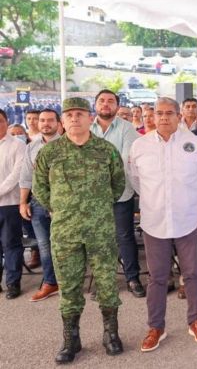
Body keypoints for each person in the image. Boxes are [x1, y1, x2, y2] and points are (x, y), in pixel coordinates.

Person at [32, 98, 126, 363]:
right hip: (65, 231)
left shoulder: (106, 150)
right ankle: (71, 339)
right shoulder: (49, 153)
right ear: (63, 120)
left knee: (107, 283)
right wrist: (62, 209)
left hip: (101, 231)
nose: (75, 118)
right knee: (69, 286)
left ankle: (110, 334)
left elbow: (118, 184)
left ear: (89, 118)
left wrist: (98, 207)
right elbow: (40, 189)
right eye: (69, 114)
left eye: (80, 114)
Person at [128, 97, 197, 352]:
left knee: (192, 274)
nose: (163, 117)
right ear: (152, 117)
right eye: (159, 113)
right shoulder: (139, 146)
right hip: (155, 221)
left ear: (179, 116)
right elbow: (135, 180)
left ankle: (196, 321)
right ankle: (156, 327)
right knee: (157, 277)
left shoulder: (195, 143)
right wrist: (157, 201)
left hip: (187, 218)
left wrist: (183, 199)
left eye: (169, 113)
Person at [90, 90, 145, 298]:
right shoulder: (87, 127)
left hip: (120, 193)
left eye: (110, 101)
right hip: (93, 197)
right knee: (100, 240)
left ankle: (132, 278)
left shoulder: (127, 128)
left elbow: (125, 159)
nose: (106, 104)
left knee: (124, 237)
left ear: (116, 105)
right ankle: (104, 281)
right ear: (95, 105)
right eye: (102, 101)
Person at [18, 109, 62, 302]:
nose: (45, 124)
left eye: (50, 120)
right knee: (44, 246)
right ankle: (50, 282)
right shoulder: (31, 147)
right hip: (37, 203)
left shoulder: (67, 145)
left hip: (63, 204)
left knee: (66, 246)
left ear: (58, 123)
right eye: (42, 120)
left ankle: (69, 283)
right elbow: (26, 177)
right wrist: (22, 202)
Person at [0, 109, 26, 299]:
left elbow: (17, 175)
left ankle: (13, 283)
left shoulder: (17, 145)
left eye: (0, 121)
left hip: (9, 203)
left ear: (6, 122)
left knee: (11, 244)